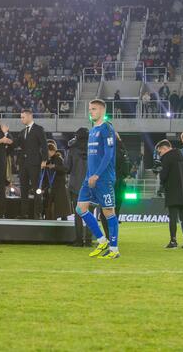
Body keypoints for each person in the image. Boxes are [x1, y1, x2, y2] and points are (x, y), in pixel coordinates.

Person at [76, 99, 120, 259]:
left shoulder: (107, 128)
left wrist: (97, 174)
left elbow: (108, 154)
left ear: (102, 110)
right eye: (90, 109)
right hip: (90, 177)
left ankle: (114, 249)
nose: (91, 112)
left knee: (109, 212)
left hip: (103, 178)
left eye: (93, 109)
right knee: (80, 208)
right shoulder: (93, 129)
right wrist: (89, 174)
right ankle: (102, 241)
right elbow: (92, 156)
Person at [156, 140, 183, 249]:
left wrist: (159, 172)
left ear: (164, 148)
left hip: (173, 191)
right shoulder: (182, 157)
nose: (160, 154)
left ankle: (173, 241)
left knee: (172, 218)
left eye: (160, 152)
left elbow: (164, 176)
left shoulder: (167, 158)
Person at [13, 109, 48, 219]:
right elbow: (16, 144)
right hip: (23, 164)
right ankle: (24, 213)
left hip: (35, 163)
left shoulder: (38, 129)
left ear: (29, 116)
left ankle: (37, 214)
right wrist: (5, 134)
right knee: (23, 188)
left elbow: (44, 145)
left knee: (36, 188)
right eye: (21, 117)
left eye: (23, 117)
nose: (21, 119)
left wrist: (44, 160)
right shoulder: (23, 132)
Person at [66, 128, 90, 246]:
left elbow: (67, 168)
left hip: (76, 185)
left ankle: (79, 240)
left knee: (78, 214)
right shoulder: (94, 148)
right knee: (90, 214)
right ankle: (89, 240)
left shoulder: (72, 149)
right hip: (91, 186)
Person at [43, 142, 71, 220]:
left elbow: (64, 169)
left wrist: (54, 166)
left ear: (52, 151)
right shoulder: (49, 159)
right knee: (53, 207)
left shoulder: (58, 158)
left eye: (48, 151)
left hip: (59, 186)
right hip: (53, 186)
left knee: (62, 208)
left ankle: (64, 223)